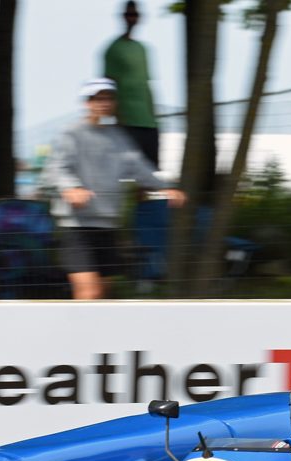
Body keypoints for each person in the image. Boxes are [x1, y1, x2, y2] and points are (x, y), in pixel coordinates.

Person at [39, 79, 184, 300]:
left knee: (105, 293)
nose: (104, 103)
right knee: (89, 292)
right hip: (76, 227)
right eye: (98, 98)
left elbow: (139, 167)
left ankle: (95, 334)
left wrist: (166, 188)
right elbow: (55, 168)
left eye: (108, 98)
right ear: (87, 103)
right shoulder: (71, 133)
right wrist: (71, 187)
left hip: (107, 227)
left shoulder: (118, 137)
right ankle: (76, 334)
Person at [103, 0, 159, 167]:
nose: (131, 18)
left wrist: (154, 117)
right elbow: (108, 86)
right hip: (126, 121)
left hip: (148, 121)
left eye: (134, 14)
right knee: (126, 171)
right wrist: (116, 117)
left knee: (148, 172)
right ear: (122, 17)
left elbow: (147, 84)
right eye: (128, 14)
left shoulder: (143, 49)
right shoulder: (113, 49)